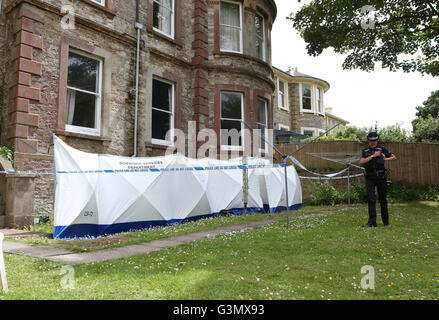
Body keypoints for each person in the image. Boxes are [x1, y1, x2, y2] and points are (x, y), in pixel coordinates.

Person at [359, 132, 397, 227]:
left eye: (375, 141)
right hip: (370, 177)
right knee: (371, 199)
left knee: (383, 199)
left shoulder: (382, 149)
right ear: (368, 141)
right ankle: (372, 222)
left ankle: (386, 222)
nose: (373, 142)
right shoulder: (365, 151)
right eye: (371, 141)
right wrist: (373, 156)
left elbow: (394, 157)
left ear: (377, 141)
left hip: (381, 176)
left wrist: (385, 159)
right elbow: (361, 161)